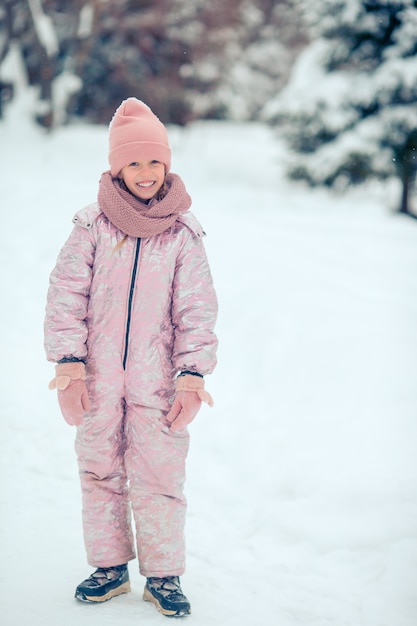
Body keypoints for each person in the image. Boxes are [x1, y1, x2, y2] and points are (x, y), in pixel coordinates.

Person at [44, 97, 218, 617]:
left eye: (154, 161)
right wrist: (69, 364)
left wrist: (191, 377)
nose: (145, 173)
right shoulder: (93, 225)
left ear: (168, 165)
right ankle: (109, 565)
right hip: (97, 380)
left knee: (161, 477)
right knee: (99, 472)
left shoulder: (183, 233)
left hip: (159, 383)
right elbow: (66, 295)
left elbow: (197, 309)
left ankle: (163, 574)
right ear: (117, 168)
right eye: (134, 162)